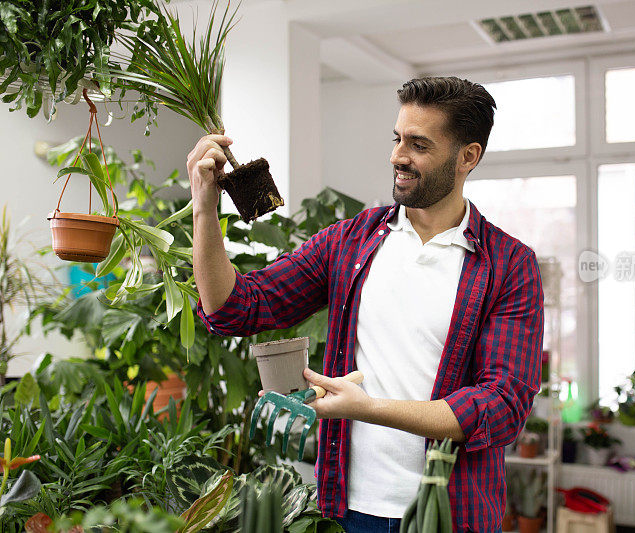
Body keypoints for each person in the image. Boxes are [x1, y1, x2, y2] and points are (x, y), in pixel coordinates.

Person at [187, 76, 543, 533]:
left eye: (418, 144)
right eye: (397, 139)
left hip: (450, 515)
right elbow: (235, 308)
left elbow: (500, 405)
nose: (398, 155)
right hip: (347, 511)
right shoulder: (351, 240)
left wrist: (367, 407)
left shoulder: (508, 265)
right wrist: (204, 208)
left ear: (467, 157)